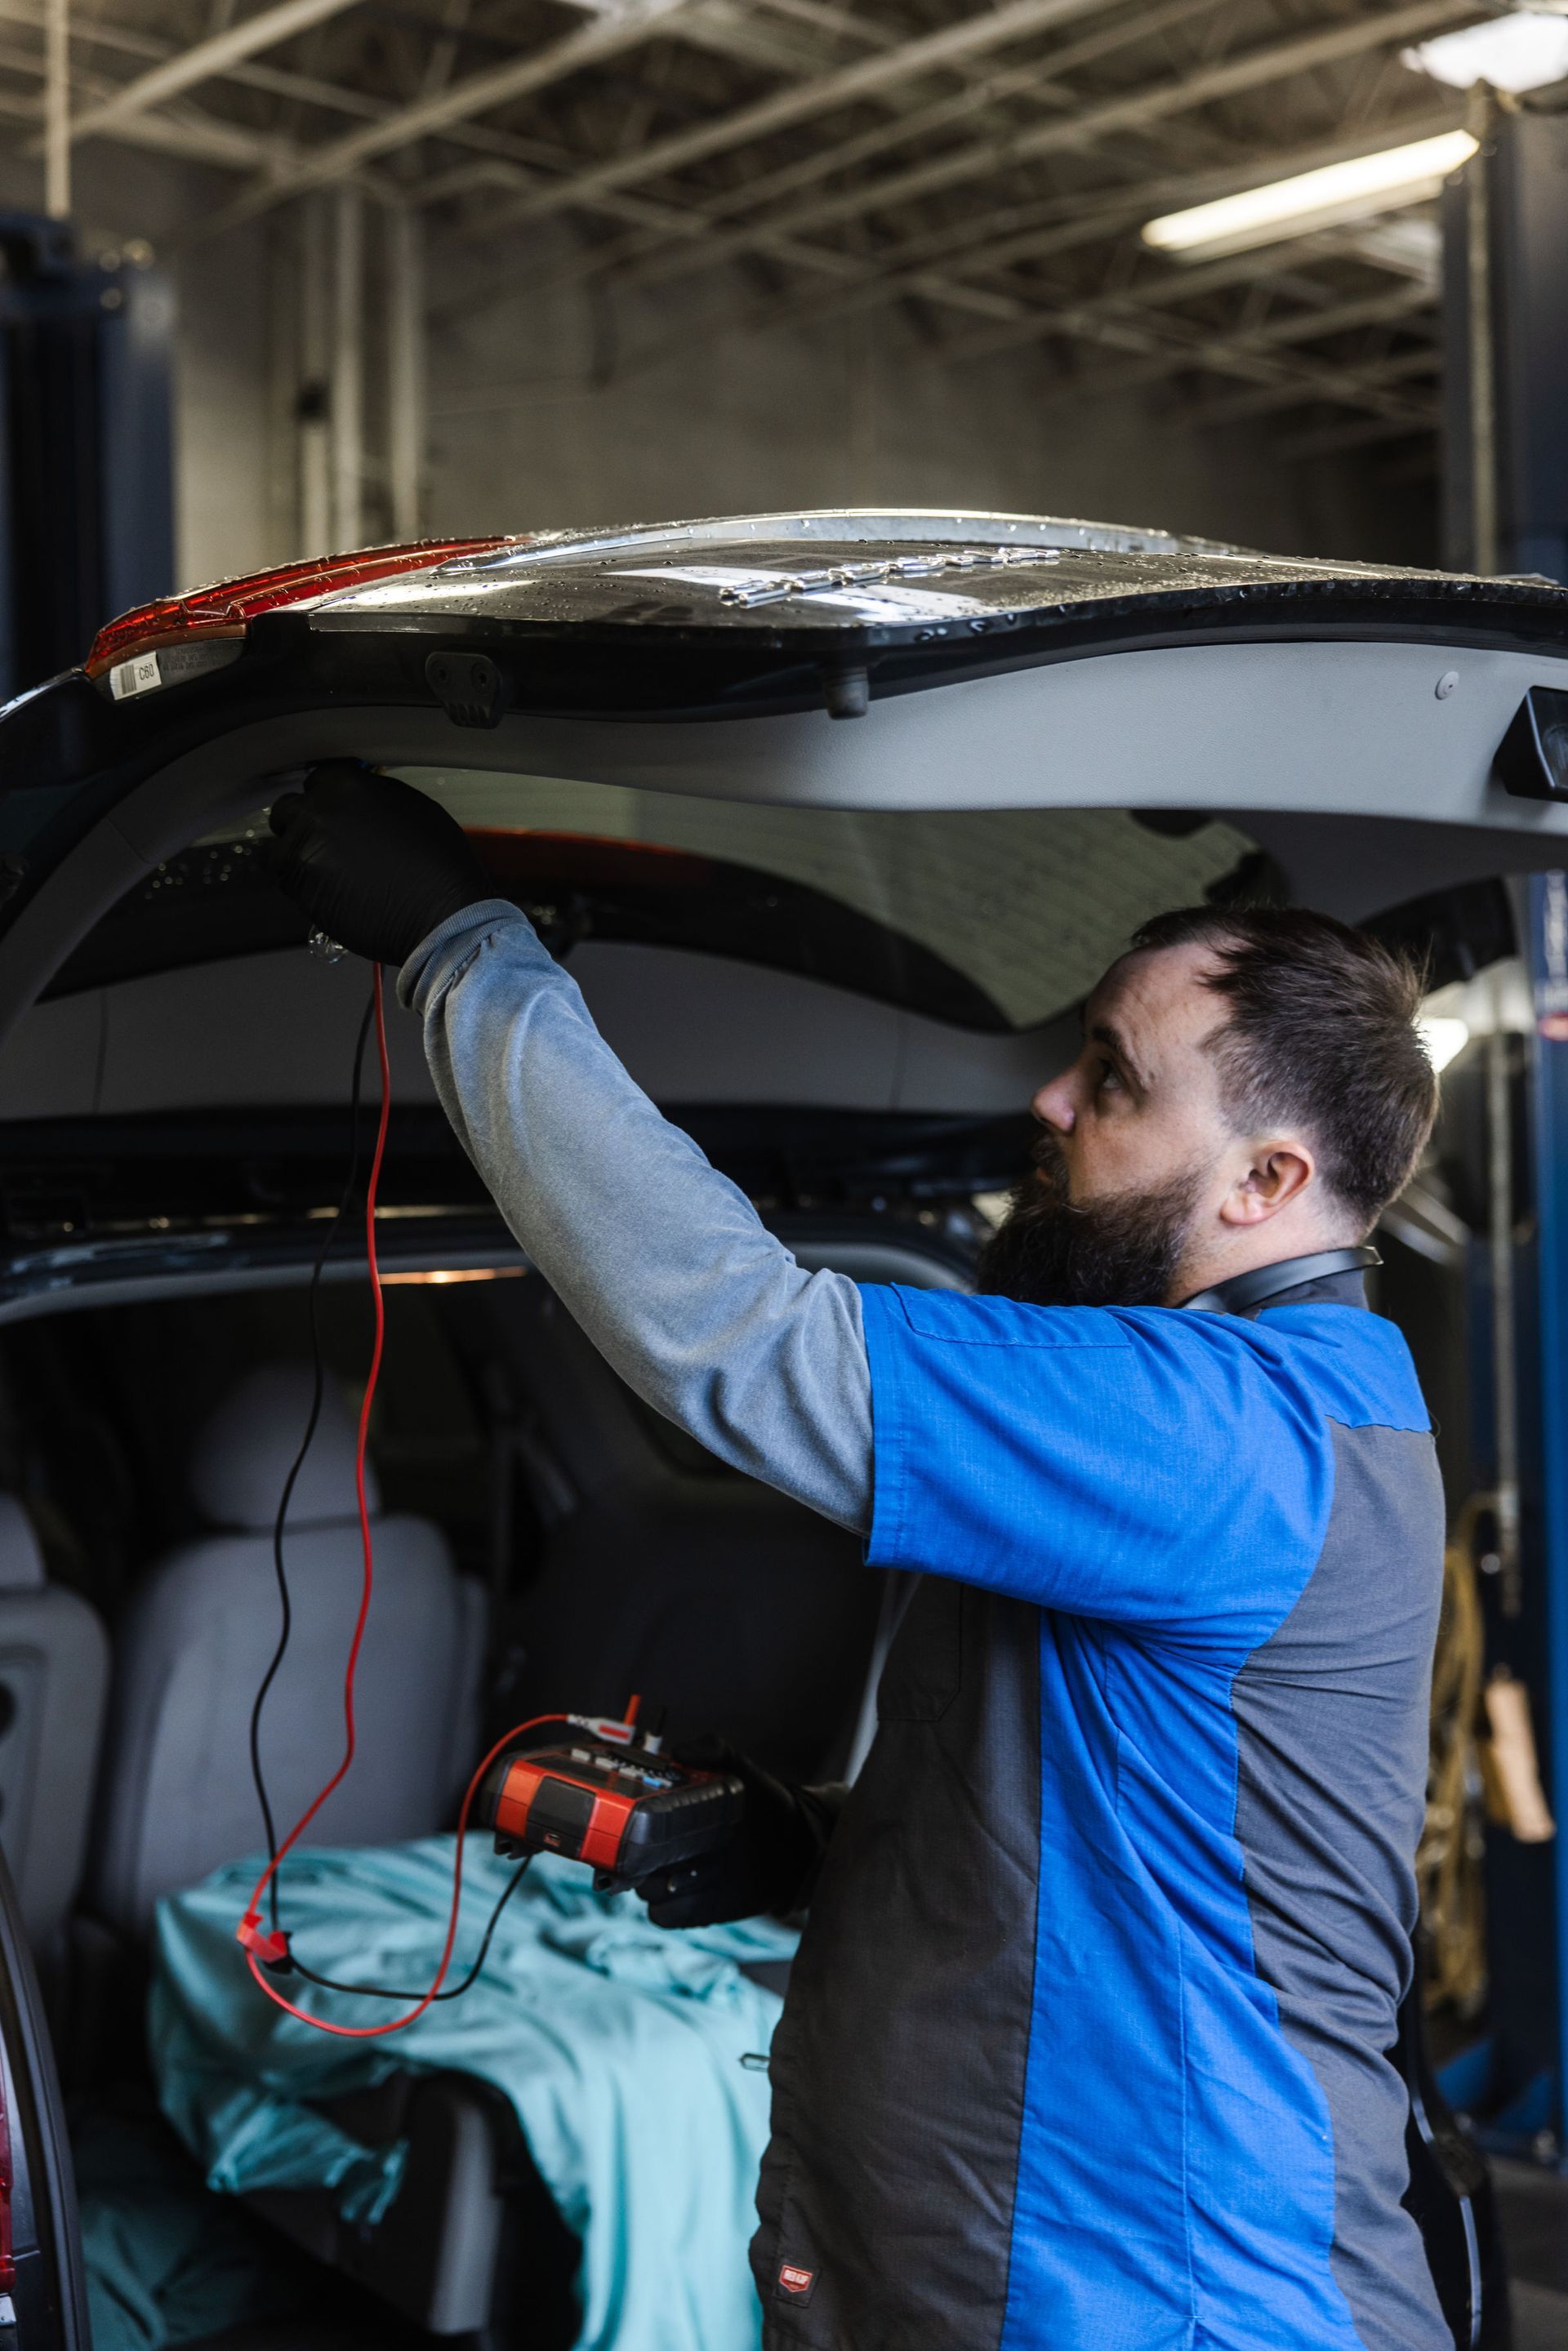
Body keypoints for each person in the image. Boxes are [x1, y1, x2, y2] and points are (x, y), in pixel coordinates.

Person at [268, 765, 1449, 2351]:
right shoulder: (1279, 1415)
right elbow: (1121, 1830)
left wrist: (458, 947)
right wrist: (821, 1840)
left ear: (1267, 1184)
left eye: (1110, 1078)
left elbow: (745, 1343)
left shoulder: (1225, 1431)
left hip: (1157, 2306)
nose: (1049, 1103)